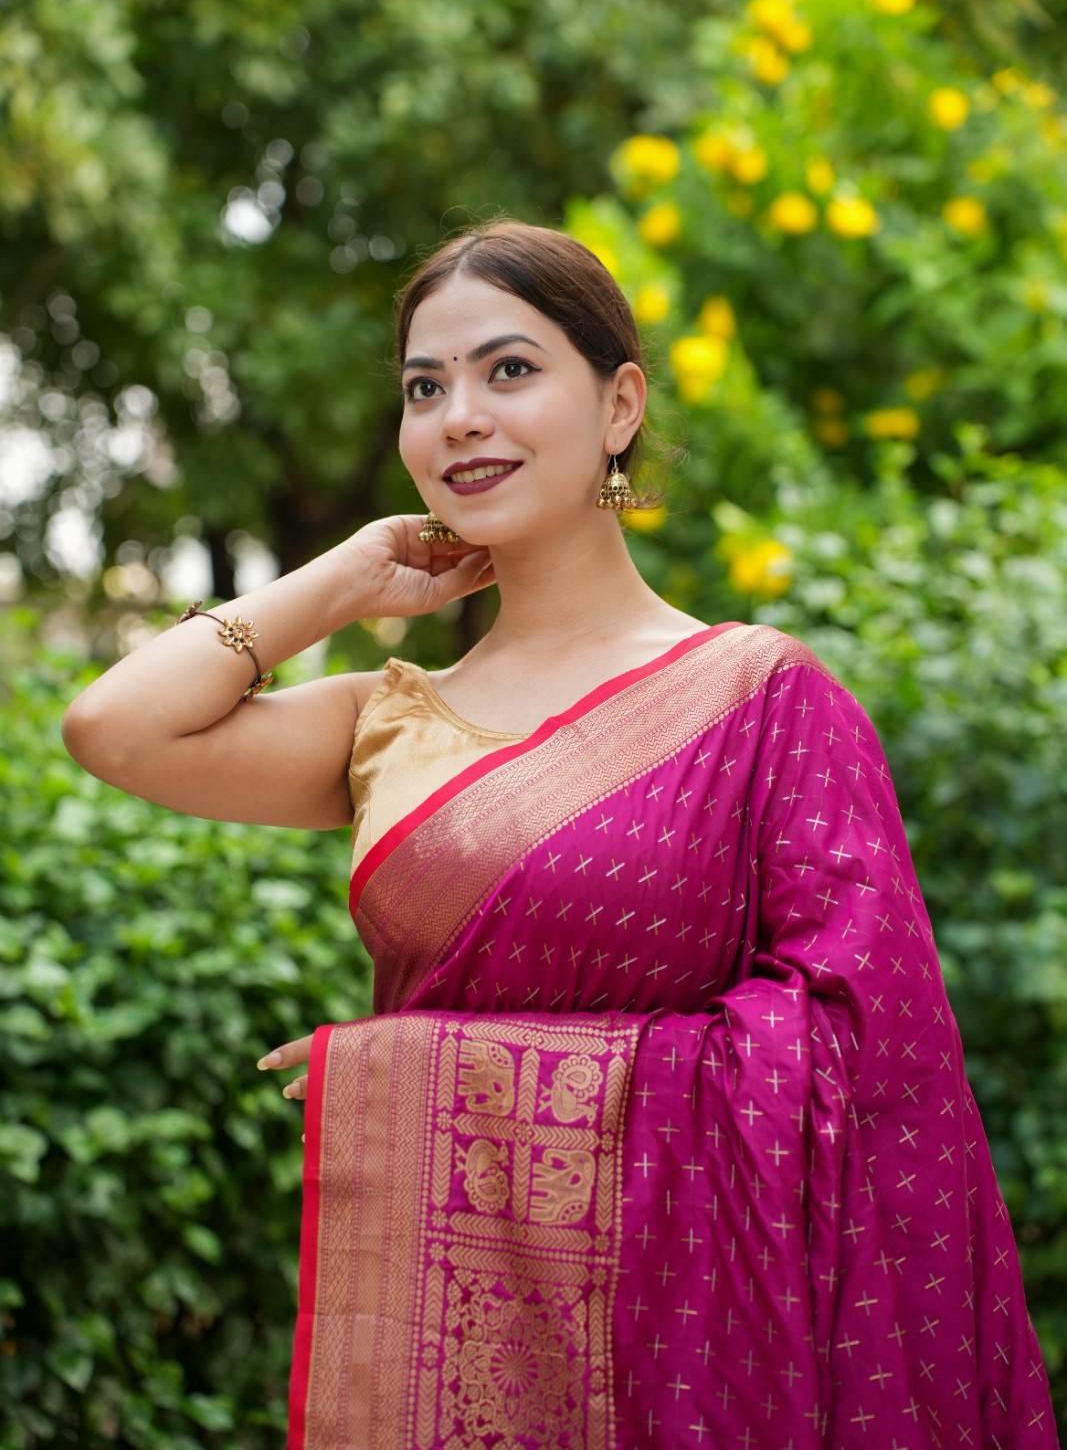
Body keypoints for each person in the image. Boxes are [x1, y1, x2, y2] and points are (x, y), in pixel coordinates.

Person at [62, 220, 1058, 1449]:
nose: (460, 416)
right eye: (425, 389)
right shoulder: (392, 720)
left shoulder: (763, 699)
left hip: (695, 1370)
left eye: (509, 370)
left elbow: (861, 1057)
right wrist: (341, 580)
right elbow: (114, 729)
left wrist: (424, 1079)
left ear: (619, 404)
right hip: (464, 1359)